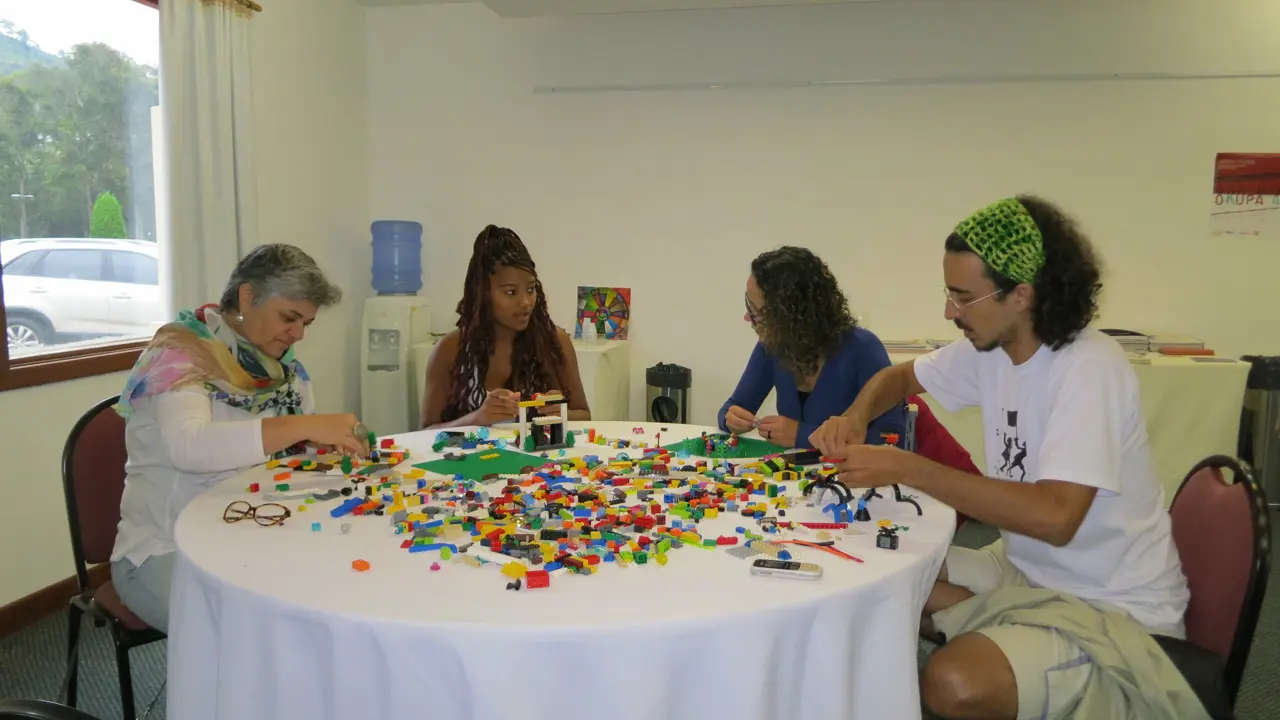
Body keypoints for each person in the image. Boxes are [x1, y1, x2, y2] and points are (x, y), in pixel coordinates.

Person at [809, 196, 1202, 719]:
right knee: (875, 571)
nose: (949, 312)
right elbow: (898, 378)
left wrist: (910, 468)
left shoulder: (1088, 370)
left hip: (1112, 608)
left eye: (963, 298)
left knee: (956, 683)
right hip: (1025, 572)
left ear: (1022, 296)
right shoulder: (990, 351)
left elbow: (1055, 518)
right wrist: (857, 416)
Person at [110, 244, 365, 633]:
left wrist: (320, 445)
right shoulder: (181, 355)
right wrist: (305, 428)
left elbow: (287, 448)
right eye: (289, 317)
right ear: (247, 297)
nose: (298, 333)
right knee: (255, 636)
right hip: (164, 549)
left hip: (249, 530)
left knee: (330, 600)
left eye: (306, 324)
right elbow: (189, 446)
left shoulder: (282, 370)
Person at [718, 246, 906, 449]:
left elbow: (892, 440)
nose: (747, 318)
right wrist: (730, 419)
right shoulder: (772, 347)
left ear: (791, 317)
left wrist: (803, 435)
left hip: (851, 478)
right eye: (748, 305)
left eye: (755, 312)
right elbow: (734, 406)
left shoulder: (863, 349)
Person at [421, 225, 589, 429]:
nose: (526, 302)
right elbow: (425, 431)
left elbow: (585, 416)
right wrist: (477, 419)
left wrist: (559, 412)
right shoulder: (449, 349)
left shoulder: (554, 341)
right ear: (483, 293)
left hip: (538, 460)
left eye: (530, 289)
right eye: (511, 292)